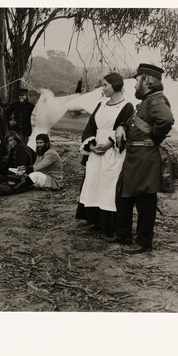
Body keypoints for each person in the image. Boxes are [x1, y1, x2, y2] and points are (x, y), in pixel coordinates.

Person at [112, 63, 175, 253]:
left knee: (145, 201)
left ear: (146, 80)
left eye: (137, 80)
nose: (134, 85)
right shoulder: (146, 102)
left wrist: (154, 138)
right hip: (135, 157)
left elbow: (166, 120)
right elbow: (131, 121)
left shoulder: (156, 100)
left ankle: (143, 242)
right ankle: (123, 236)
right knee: (124, 195)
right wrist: (122, 126)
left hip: (145, 157)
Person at [75, 72, 134, 235]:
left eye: (105, 85)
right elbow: (90, 128)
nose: (103, 88)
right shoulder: (101, 104)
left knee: (109, 186)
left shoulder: (127, 106)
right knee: (94, 182)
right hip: (96, 152)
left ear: (116, 86)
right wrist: (92, 145)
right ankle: (95, 219)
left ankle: (109, 223)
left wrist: (110, 143)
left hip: (113, 152)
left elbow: (127, 129)